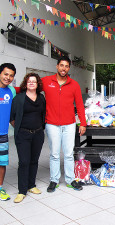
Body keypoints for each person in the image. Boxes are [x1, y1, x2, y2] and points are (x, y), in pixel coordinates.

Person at [42, 56, 87, 192]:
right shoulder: (46, 81)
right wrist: (11, 88)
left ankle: (70, 179)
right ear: (57, 66)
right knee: (54, 154)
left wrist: (83, 123)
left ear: (69, 68)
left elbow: (79, 105)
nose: (64, 68)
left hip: (69, 124)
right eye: (61, 65)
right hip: (51, 123)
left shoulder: (74, 84)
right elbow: (28, 86)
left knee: (68, 153)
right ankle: (54, 180)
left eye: (66, 66)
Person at [10, 73, 46, 203]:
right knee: (24, 161)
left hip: (38, 134)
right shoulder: (19, 98)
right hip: (23, 134)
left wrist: (40, 129)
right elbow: (12, 117)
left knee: (34, 160)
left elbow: (43, 114)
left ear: (37, 84)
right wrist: (20, 130)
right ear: (25, 83)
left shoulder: (41, 98)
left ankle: (31, 185)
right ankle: (21, 191)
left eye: (34, 81)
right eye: (29, 81)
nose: (31, 83)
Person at [0, 63, 17, 201]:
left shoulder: (11, 91)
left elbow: (12, 114)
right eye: (6, 74)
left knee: (2, 162)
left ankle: (0, 188)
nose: (8, 77)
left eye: (11, 75)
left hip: (3, 134)